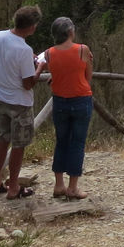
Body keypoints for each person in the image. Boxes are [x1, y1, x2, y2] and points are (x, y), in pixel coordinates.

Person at [0, 5, 43, 200]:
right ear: (32, 27)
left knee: (3, 138)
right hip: (19, 102)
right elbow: (28, 84)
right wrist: (40, 67)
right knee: (19, 144)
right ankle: (13, 186)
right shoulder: (24, 49)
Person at [43, 16, 94, 200]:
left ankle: (59, 185)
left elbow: (55, 74)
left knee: (61, 140)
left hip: (60, 101)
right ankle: (73, 188)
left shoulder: (49, 53)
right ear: (70, 32)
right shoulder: (82, 49)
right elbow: (88, 76)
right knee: (77, 143)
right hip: (81, 99)